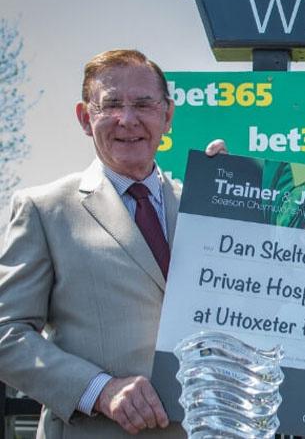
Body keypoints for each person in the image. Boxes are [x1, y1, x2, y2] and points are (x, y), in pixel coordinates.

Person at [0, 49, 184, 438]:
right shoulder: (44, 209)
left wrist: (232, 195)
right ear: (86, 118)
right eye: (111, 104)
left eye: (143, 104)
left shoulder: (203, 207)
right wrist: (100, 390)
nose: (127, 119)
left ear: (166, 115)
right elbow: (7, 334)